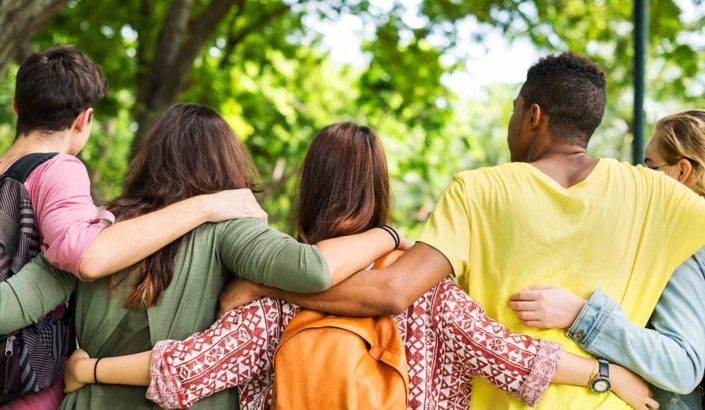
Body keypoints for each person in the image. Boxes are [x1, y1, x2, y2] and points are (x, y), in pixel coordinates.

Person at [215, 52, 705, 410]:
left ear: (534, 116)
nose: (510, 120)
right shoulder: (658, 195)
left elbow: (392, 291)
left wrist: (268, 284)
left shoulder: (478, 190)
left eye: (514, 108)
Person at [63, 122, 654, 410]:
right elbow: (515, 359)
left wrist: (89, 371)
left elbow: (186, 371)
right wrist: (609, 375)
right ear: (381, 188)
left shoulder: (271, 289)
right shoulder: (428, 284)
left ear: (309, 190)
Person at [0, 106, 412, 410]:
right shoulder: (232, 231)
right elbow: (315, 268)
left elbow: (8, 308)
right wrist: (388, 232)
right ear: (227, 161)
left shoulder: (99, 233)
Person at [0, 46, 265, 410]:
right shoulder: (59, 168)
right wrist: (208, 204)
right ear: (84, 119)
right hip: (25, 378)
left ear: (15, 105)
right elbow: (86, 255)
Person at [507, 109, 705, 409]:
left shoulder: (683, 247)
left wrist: (581, 315)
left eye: (651, 166)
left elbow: (682, 366)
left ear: (682, 171)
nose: (639, 174)